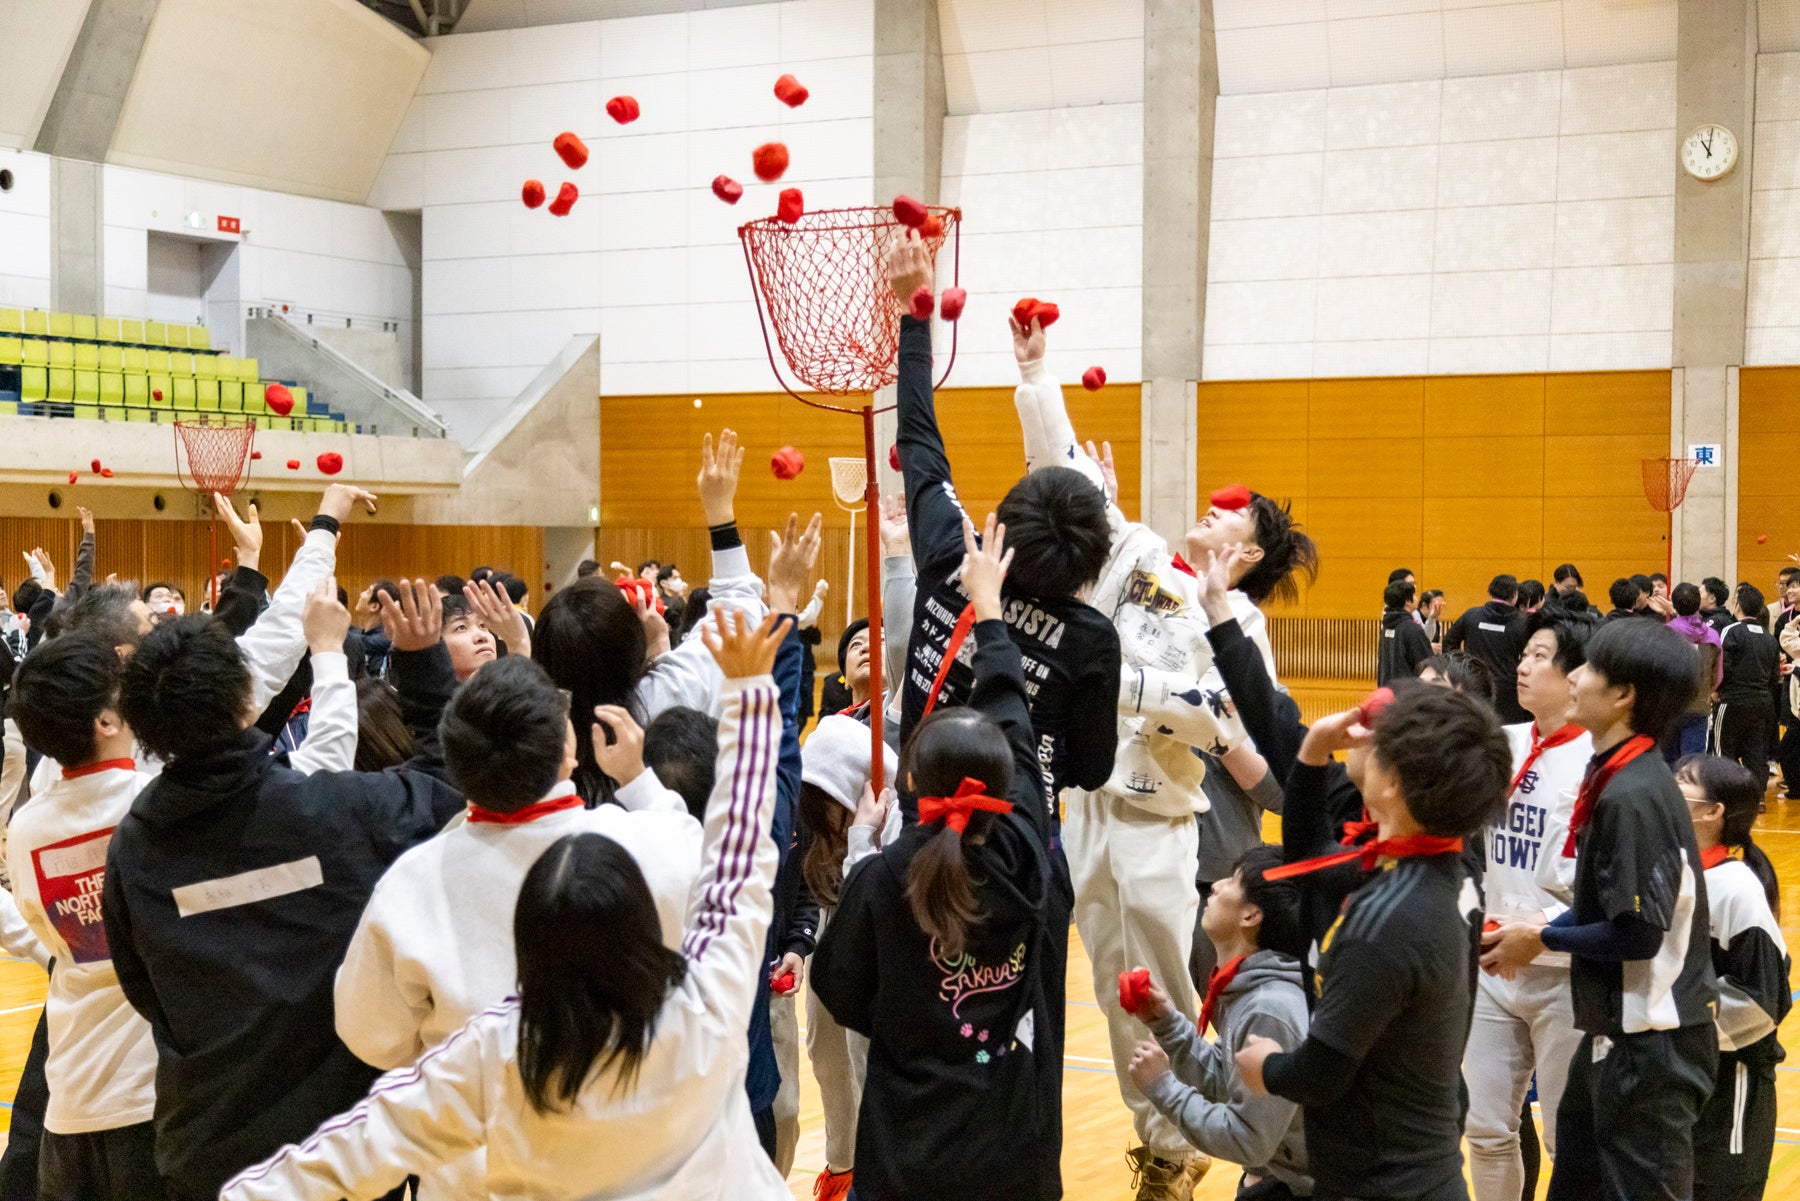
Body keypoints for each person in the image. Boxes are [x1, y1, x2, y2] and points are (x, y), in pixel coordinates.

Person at [218, 611, 794, 1201]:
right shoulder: (697, 969)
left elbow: (366, 1086)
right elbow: (741, 847)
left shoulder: (492, 1038)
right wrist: (746, 693)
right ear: (567, 750)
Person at [1004, 289, 1315, 1199]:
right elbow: (1056, 471)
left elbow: (1226, 728)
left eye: (1228, 520)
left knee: (1170, 993)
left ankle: (1183, 1146)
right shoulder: (1113, 548)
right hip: (1085, 807)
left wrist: (1124, 691)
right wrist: (1034, 372)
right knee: (1109, 986)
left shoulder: (1217, 612)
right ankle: (1157, 1149)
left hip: (1156, 816)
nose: (1208, 519)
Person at [101, 579, 467, 1201]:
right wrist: (423, 661)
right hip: (341, 1150)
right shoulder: (332, 811)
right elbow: (448, 784)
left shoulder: (133, 848)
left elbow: (143, 988)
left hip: (205, 1146)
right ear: (246, 698)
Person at [331, 654, 704, 1200]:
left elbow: (370, 1035)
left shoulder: (413, 883)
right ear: (569, 751)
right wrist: (639, 779)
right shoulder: (649, 845)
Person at [813, 513, 1072, 1201]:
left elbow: (840, 989)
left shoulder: (879, 874)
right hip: (1015, 1149)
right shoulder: (1030, 858)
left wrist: (867, 847)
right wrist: (989, 611)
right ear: (1009, 784)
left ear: (912, 781)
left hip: (907, 1151)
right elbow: (1014, 717)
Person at [1234, 685, 1512, 1201]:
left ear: (1394, 783)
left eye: (1375, 738)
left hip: (1381, 1179)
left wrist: (1266, 1068)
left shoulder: (1386, 919)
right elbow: (1310, 858)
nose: (1360, 736)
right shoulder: (1442, 867)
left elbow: (1320, 1073)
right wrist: (1314, 750)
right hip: (1418, 1164)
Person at [1486, 618, 1718, 1201]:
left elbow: (1637, 933)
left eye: (1588, 668)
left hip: (1654, 1041)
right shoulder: (1614, 771)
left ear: (1622, 696)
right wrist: (1537, 931)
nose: (1575, 677)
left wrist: (1542, 941)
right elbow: (1607, 904)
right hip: (1617, 1033)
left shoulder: (1634, 793)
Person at [888, 235, 1121, 814]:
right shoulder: (1091, 640)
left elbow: (917, 440)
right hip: (1018, 846)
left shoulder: (952, 555)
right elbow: (1091, 772)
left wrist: (913, 316)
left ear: (1008, 515)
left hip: (914, 822)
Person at [531, 431, 767, 804]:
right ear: (630, 644)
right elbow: (739, 609)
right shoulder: (666, 695)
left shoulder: (535, 737)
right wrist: (719, 512)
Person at [1462, 612, 1593, 1201]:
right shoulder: (1504, 744)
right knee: (1486, 1130)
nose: (1522, 664)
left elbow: (1610, 881)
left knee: (1570, 1140)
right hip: (1493, 966)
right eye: (1524, 654)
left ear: (1577, 677)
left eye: (1541, 655)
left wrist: (1540, 930)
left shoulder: (1600, 759)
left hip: (1566, 973)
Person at [1125, 844, 1313, 1199]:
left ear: (1250, 916)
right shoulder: (1251, 987)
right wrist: (1168, 1025)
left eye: (1232, 880)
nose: (1215, 886)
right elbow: (1231, 1081)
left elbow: (1248, 1142)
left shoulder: (1270, 1009)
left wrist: (1165, 1089)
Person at [1675, 755, 1790, 1201]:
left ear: (1712, 811)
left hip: (1730, 1088)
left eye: (1682, 782)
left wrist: (1677, 1020)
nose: (1668, 786)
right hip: (1680, 1078)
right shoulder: (1670, 873)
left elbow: (1763, 1002)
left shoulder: (1736, 888)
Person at [1715, 583, 1781, 793]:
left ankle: (1726, 794)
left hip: (1732, 700)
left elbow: (1722, 663)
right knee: (1755, 752)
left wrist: (1716, 690)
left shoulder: (1731, 630)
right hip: (1762, 702)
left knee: (1723, 750)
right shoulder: (1769, 637)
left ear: (1738, 606)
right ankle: (1757, 796)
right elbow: (1774, 674)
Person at [1443, 574, 1529, 722]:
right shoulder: (1522, 623)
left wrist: (1459, 667)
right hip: (1508, 690)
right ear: (1515, 595)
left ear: (1491, 592)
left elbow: (1449, 642)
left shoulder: (1472, 615)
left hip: (1472, 683)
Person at [1665, 582, 1723, 763]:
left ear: (1674, 605)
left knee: (1669, 763)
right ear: (1698, 604)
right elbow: (1718, 676)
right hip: (1699, 706)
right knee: (1693, 765)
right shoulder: (1713, 636)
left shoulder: (1665, 633)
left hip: (1670, 707)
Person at [1377, 579, 1430, 686]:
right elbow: (1427, 665)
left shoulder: (1386, 626)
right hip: (1406, 696)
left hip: (1387, 695)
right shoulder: (1411, 629)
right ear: (1407, 602)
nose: (1416, 598)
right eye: (1414, 595)